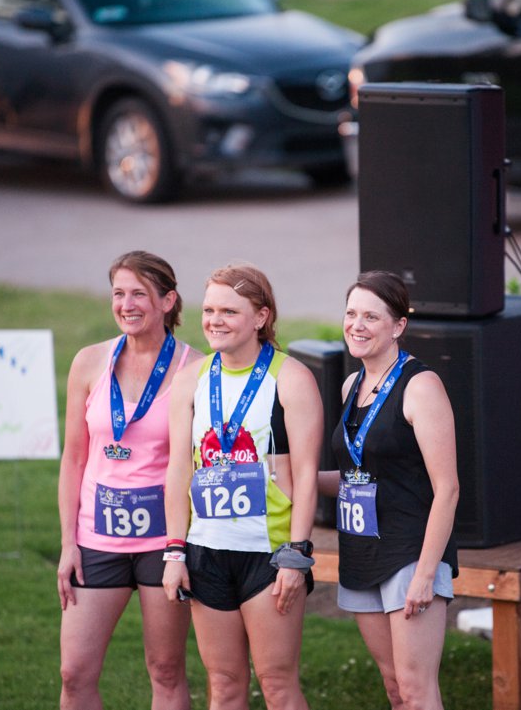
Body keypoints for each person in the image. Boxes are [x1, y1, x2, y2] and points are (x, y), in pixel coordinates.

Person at [162, 262, 322, 710]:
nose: (214, 320)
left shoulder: (291, 378)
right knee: (225, 683)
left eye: (229, 311)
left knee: (276, 683)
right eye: (209, 309)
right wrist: (175, 551)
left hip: (268, 553)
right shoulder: (190, 379)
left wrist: (297, 554)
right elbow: (178, 468)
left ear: (261, 317)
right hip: (205, 549)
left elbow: (307, 473)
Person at [57, 250, 203, 710]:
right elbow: (73, 458)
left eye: (139, 293)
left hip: (165, 542)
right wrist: (67, 542)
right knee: (74, 672)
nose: (127, 304)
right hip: (96, 539)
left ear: (167, 301)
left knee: (164, 670)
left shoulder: (194, 369)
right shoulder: (88, 362)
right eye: (118, 293)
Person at [319, 270, 460, 709]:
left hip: (409, 553)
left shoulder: (421, 386)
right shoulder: (351, 385)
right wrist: (289, 479)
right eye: (351, 314)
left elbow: (448, 489)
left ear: (398, 326)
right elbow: (356, 477)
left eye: (371, 317)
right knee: (395, 688)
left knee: (417, 690)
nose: (357, 326)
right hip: (361, 551)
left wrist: (424, 574)